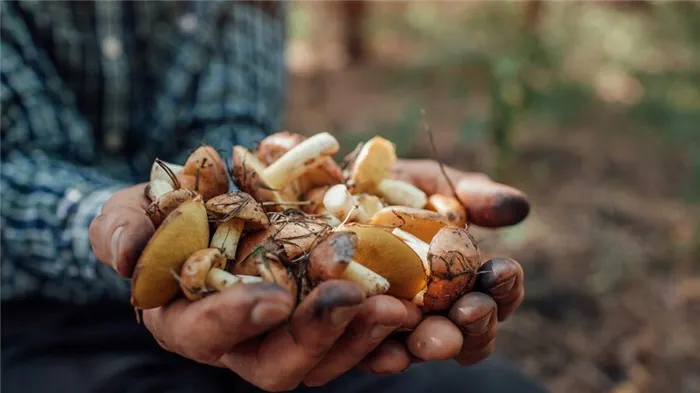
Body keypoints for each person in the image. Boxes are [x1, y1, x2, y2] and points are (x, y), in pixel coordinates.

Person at [0, 1, 546, 392]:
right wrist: (102, 224)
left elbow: (233, 141)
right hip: (31, 322)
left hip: (275, 294)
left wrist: (305, 209)